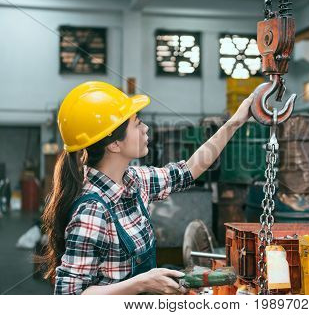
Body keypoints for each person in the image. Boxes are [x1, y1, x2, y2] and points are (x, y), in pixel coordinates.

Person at [40, 81, 253, 295]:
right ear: (114, 144)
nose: (146, 128)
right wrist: (143, 283)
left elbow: (188, 170)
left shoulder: (134, 180)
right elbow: (70, 297)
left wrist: (234, 122)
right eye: (137, 123)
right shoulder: (93, 211)